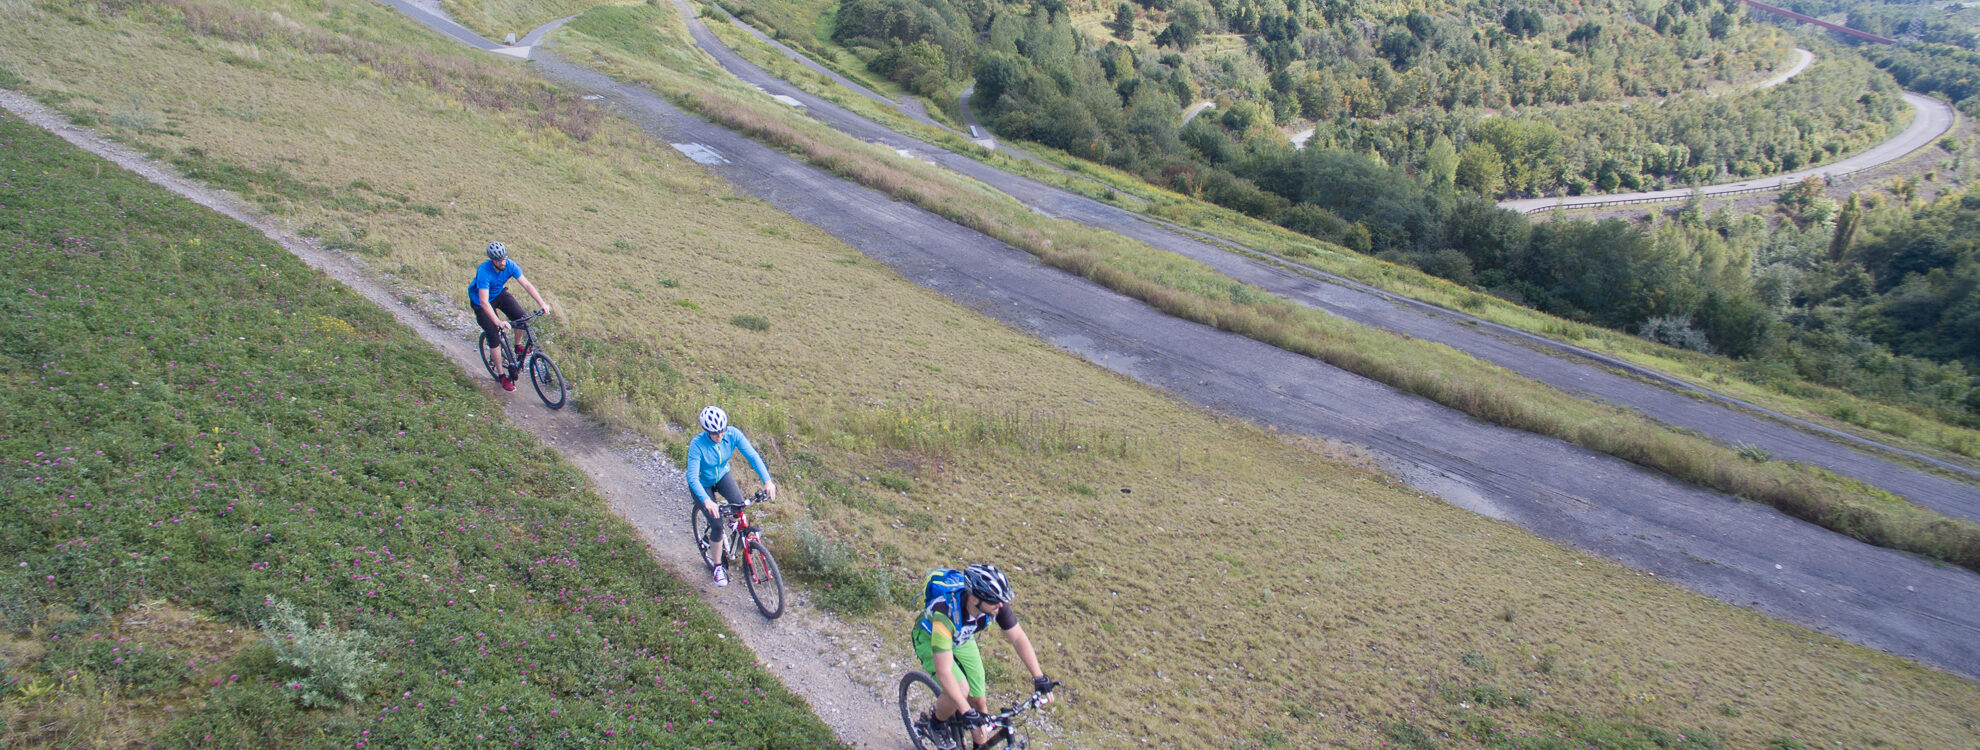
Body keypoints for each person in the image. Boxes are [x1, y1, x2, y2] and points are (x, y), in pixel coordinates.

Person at [911, 563, 1057, 749]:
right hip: (931, 638)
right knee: (961, 691)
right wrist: (965, 710)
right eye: (994, 601)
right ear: (973, 599)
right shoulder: (946, 613)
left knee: (980, 701)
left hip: (962, 637)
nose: (1001, 605)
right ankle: (936, 724)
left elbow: (1018, 637)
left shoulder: (996, 605)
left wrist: (1039, 676)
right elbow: (944, 672)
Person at [686, 406, 776, 586]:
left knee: (739, 506)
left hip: (722, 476)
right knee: (717, 524)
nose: (719, 436)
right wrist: (706, 501)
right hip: (703, 485)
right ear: (706, 431)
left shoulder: (732, 434)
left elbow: (752, 456)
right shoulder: (697, 445)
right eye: (714, 433)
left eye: (722, 431)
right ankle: (718, 566)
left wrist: (767, 481)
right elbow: (692, 477)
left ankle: (739, 538)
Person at [469, 241, 551, 392]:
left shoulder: (510, 265)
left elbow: (526, 284)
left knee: (521, 317)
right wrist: (498, 321)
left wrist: (542, 303)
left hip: (498, 293)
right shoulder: (484, 272)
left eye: (504, 258)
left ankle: (518, 346)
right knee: (493, 335)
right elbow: (484, 302)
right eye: (499, 260)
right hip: (482, 303)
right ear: (492, 260)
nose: (502, 262)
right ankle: (501, 376)